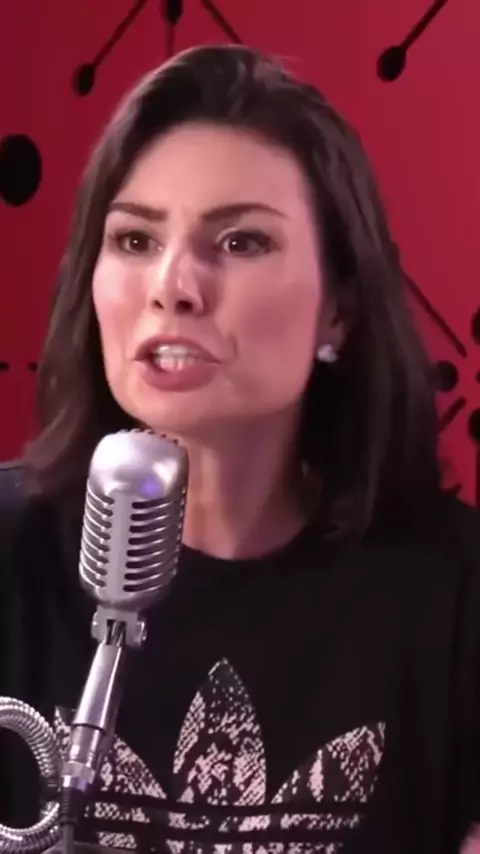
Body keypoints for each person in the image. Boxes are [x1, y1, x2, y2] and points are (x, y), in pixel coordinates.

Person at [0, 43, 479, 854]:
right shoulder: (12, 550)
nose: (173, 286)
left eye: (240, 242)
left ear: (338, 311)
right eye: (135, 240)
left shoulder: (454, 592)